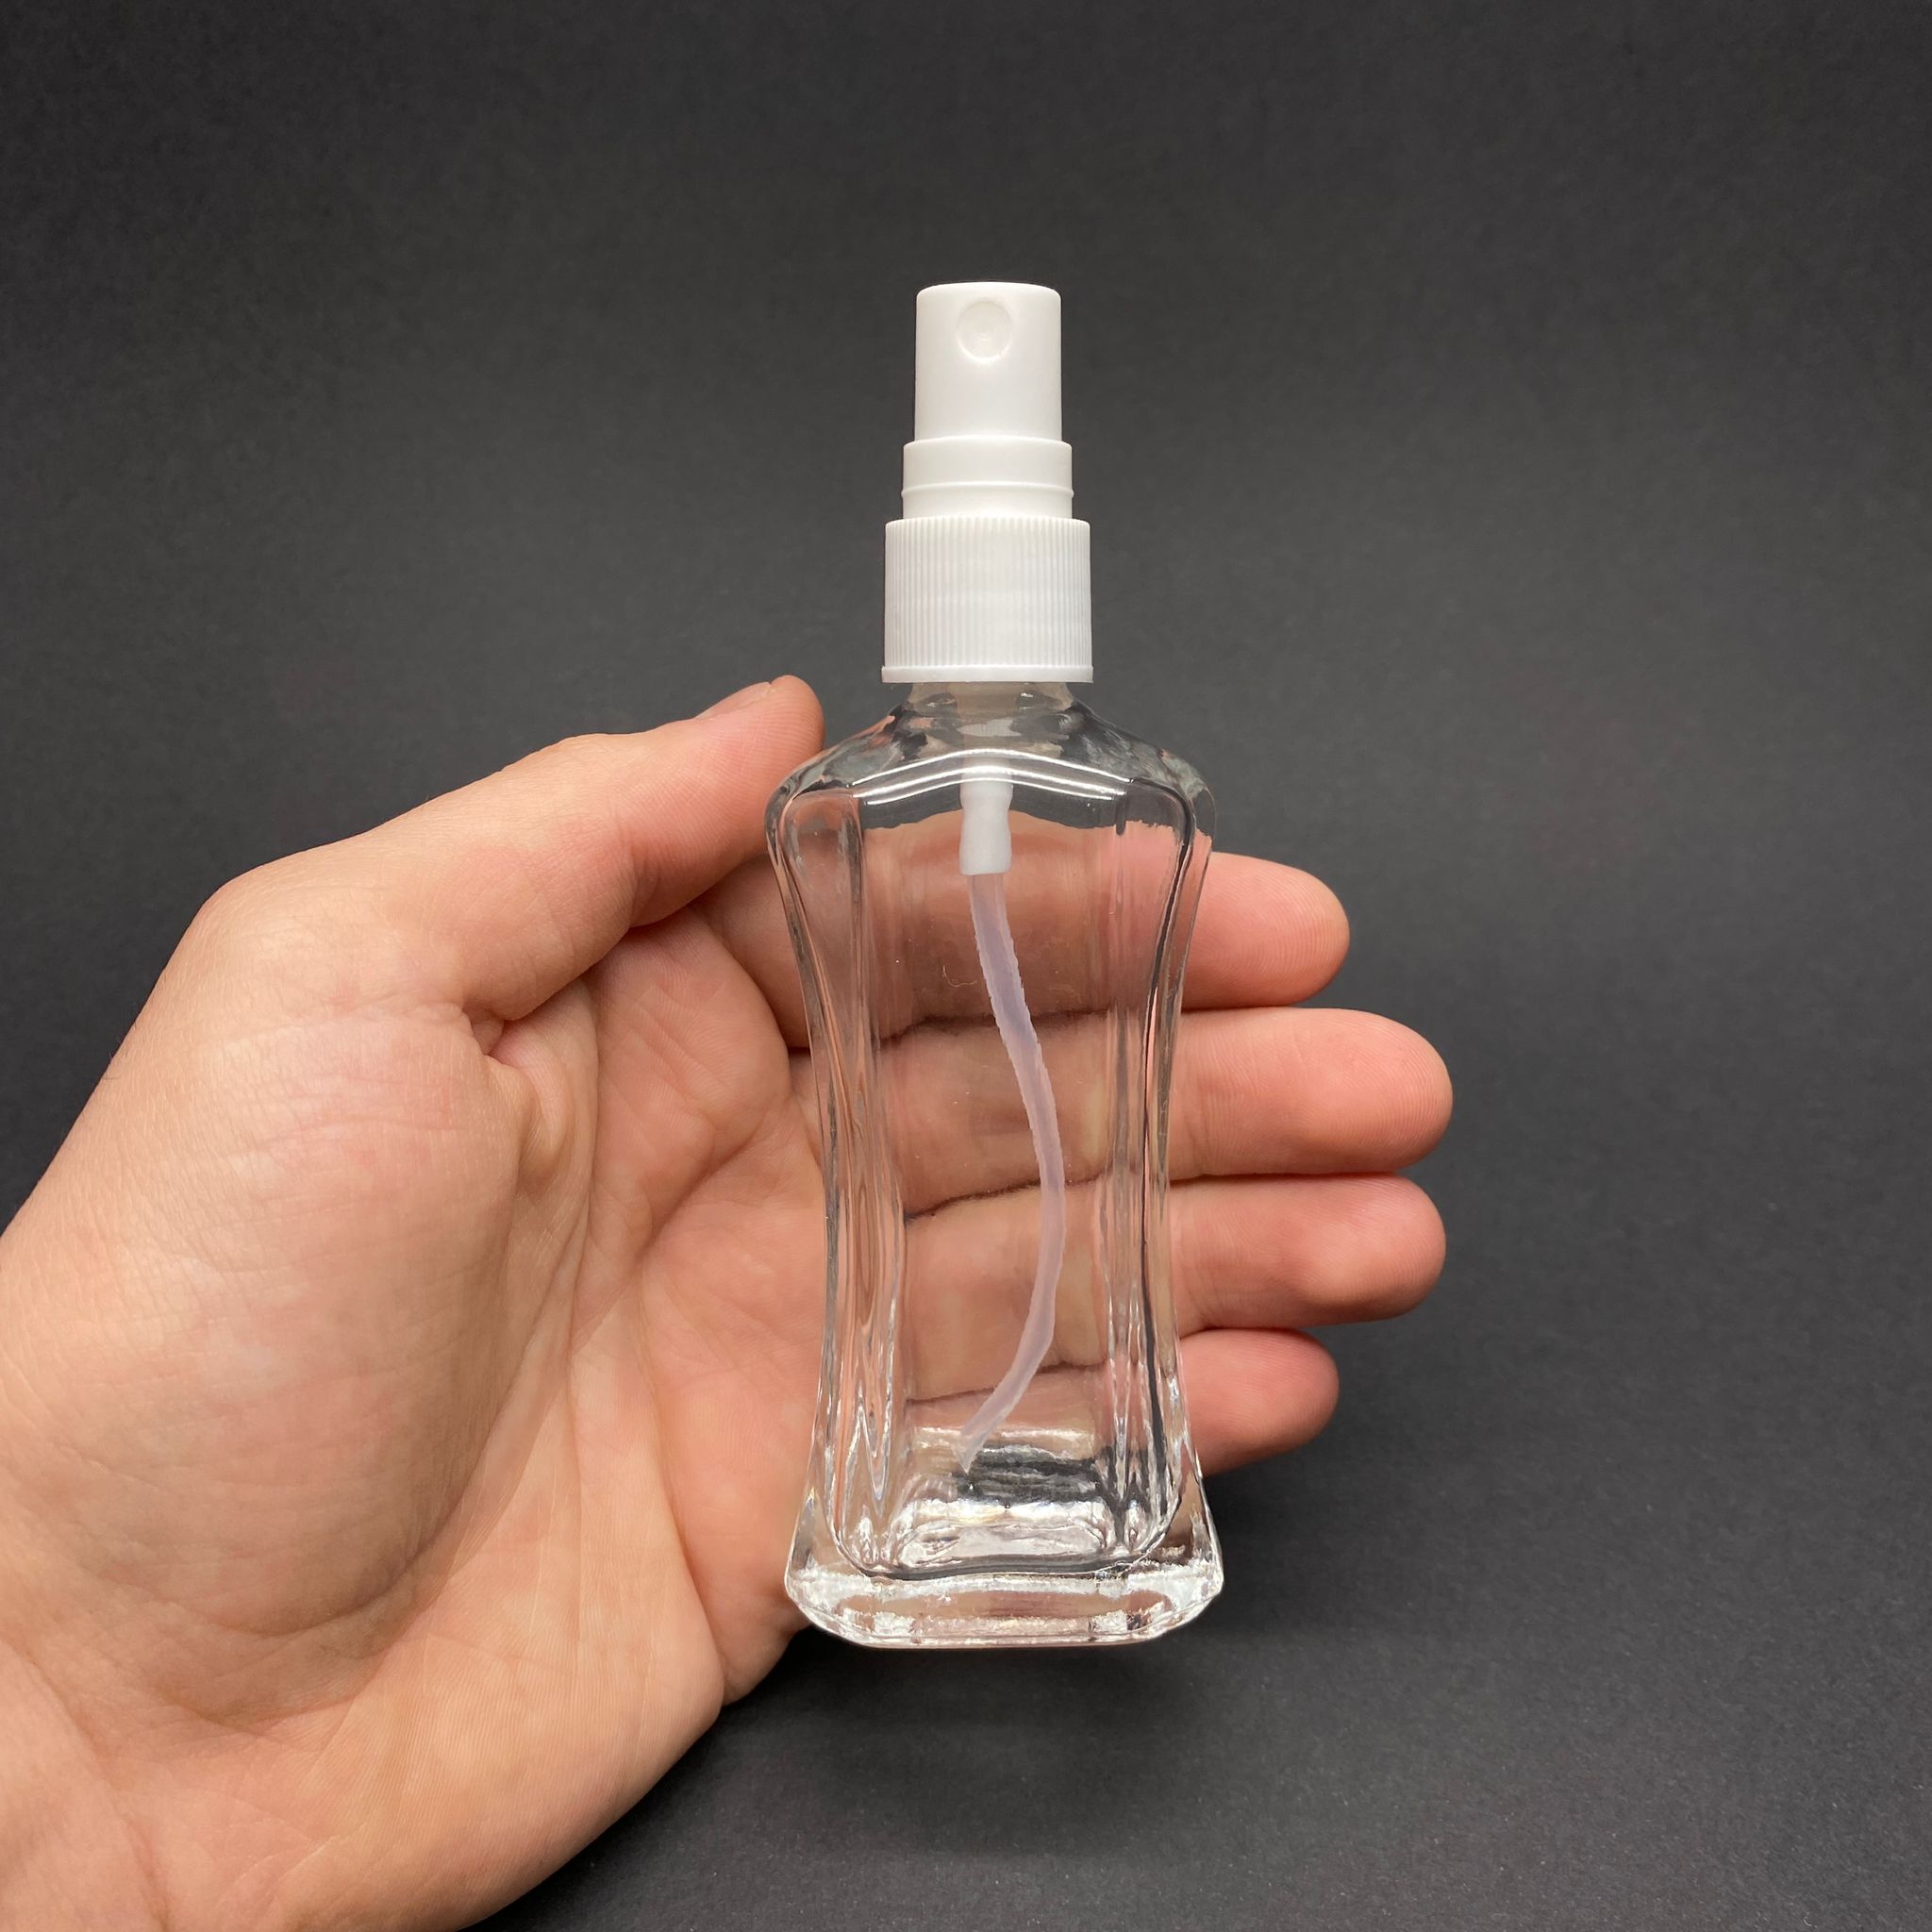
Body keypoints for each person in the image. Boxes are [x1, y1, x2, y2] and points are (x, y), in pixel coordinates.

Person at [0, 677, 1451, 1928]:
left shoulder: (1120, 806)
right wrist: (63, 1648)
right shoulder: (873, 808)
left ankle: (1078, 1536)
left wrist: (80, 1714)